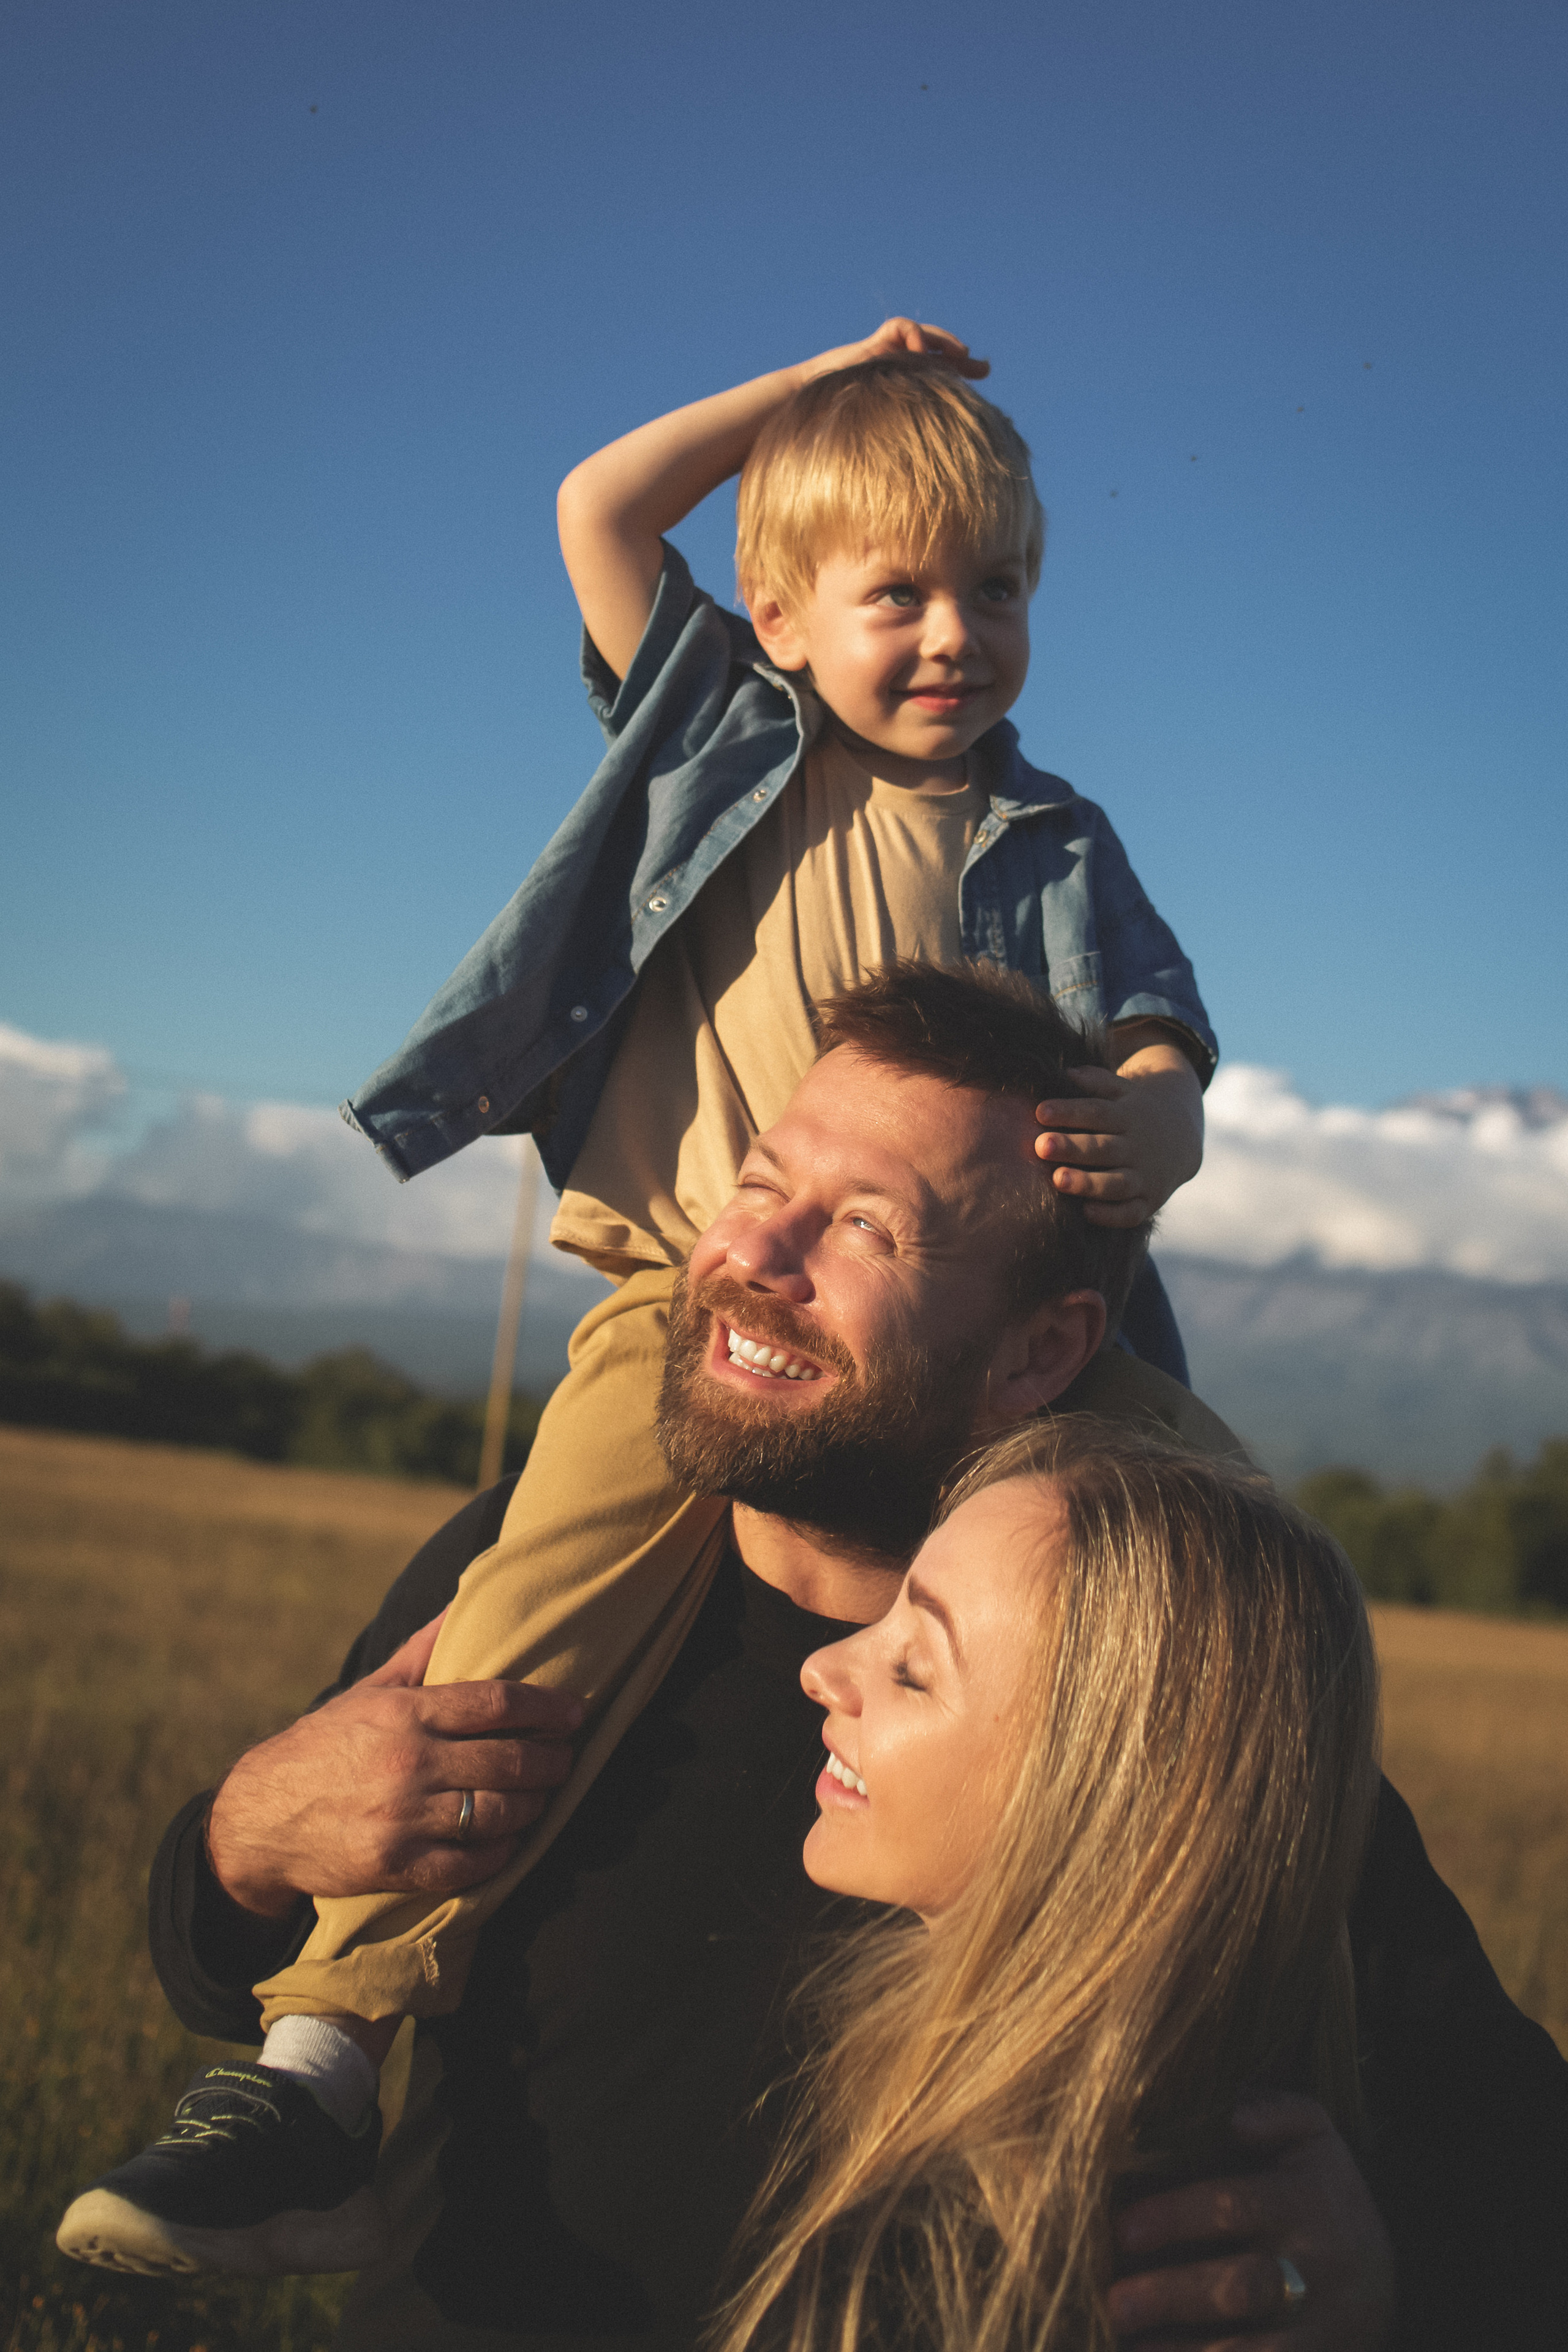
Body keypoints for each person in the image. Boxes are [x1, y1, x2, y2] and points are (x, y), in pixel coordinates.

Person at [81, 324, 1219, 2191]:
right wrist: (829, 389)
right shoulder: (716, 733)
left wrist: (1163, 1120)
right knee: (513, 1628)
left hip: (997, 1349)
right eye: (898, 591)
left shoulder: (1054, 838)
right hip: (681, 1306)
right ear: (776, 616)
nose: (956, 633)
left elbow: (1154, 1027)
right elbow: (601, 503)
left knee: (1227, 1594)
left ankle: (1130, 2083)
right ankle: (329, 2045)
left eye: (996, 587)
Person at [60, 966, 1567, 2348]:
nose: (750, 1255)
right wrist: (248, 1841)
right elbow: (232, 1952)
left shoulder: (1154, 1705)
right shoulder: (522, 1571)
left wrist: (1387, 2277)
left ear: (1042, 1354)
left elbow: (1509, 2155)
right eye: (762, 1185)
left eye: (865, 1225)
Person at [715, 1419, 1383, 2352]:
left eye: (914, 1670)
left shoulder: (951, 2273)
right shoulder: (1240, 2153)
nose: (823, 1668)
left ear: (1095, 1797)